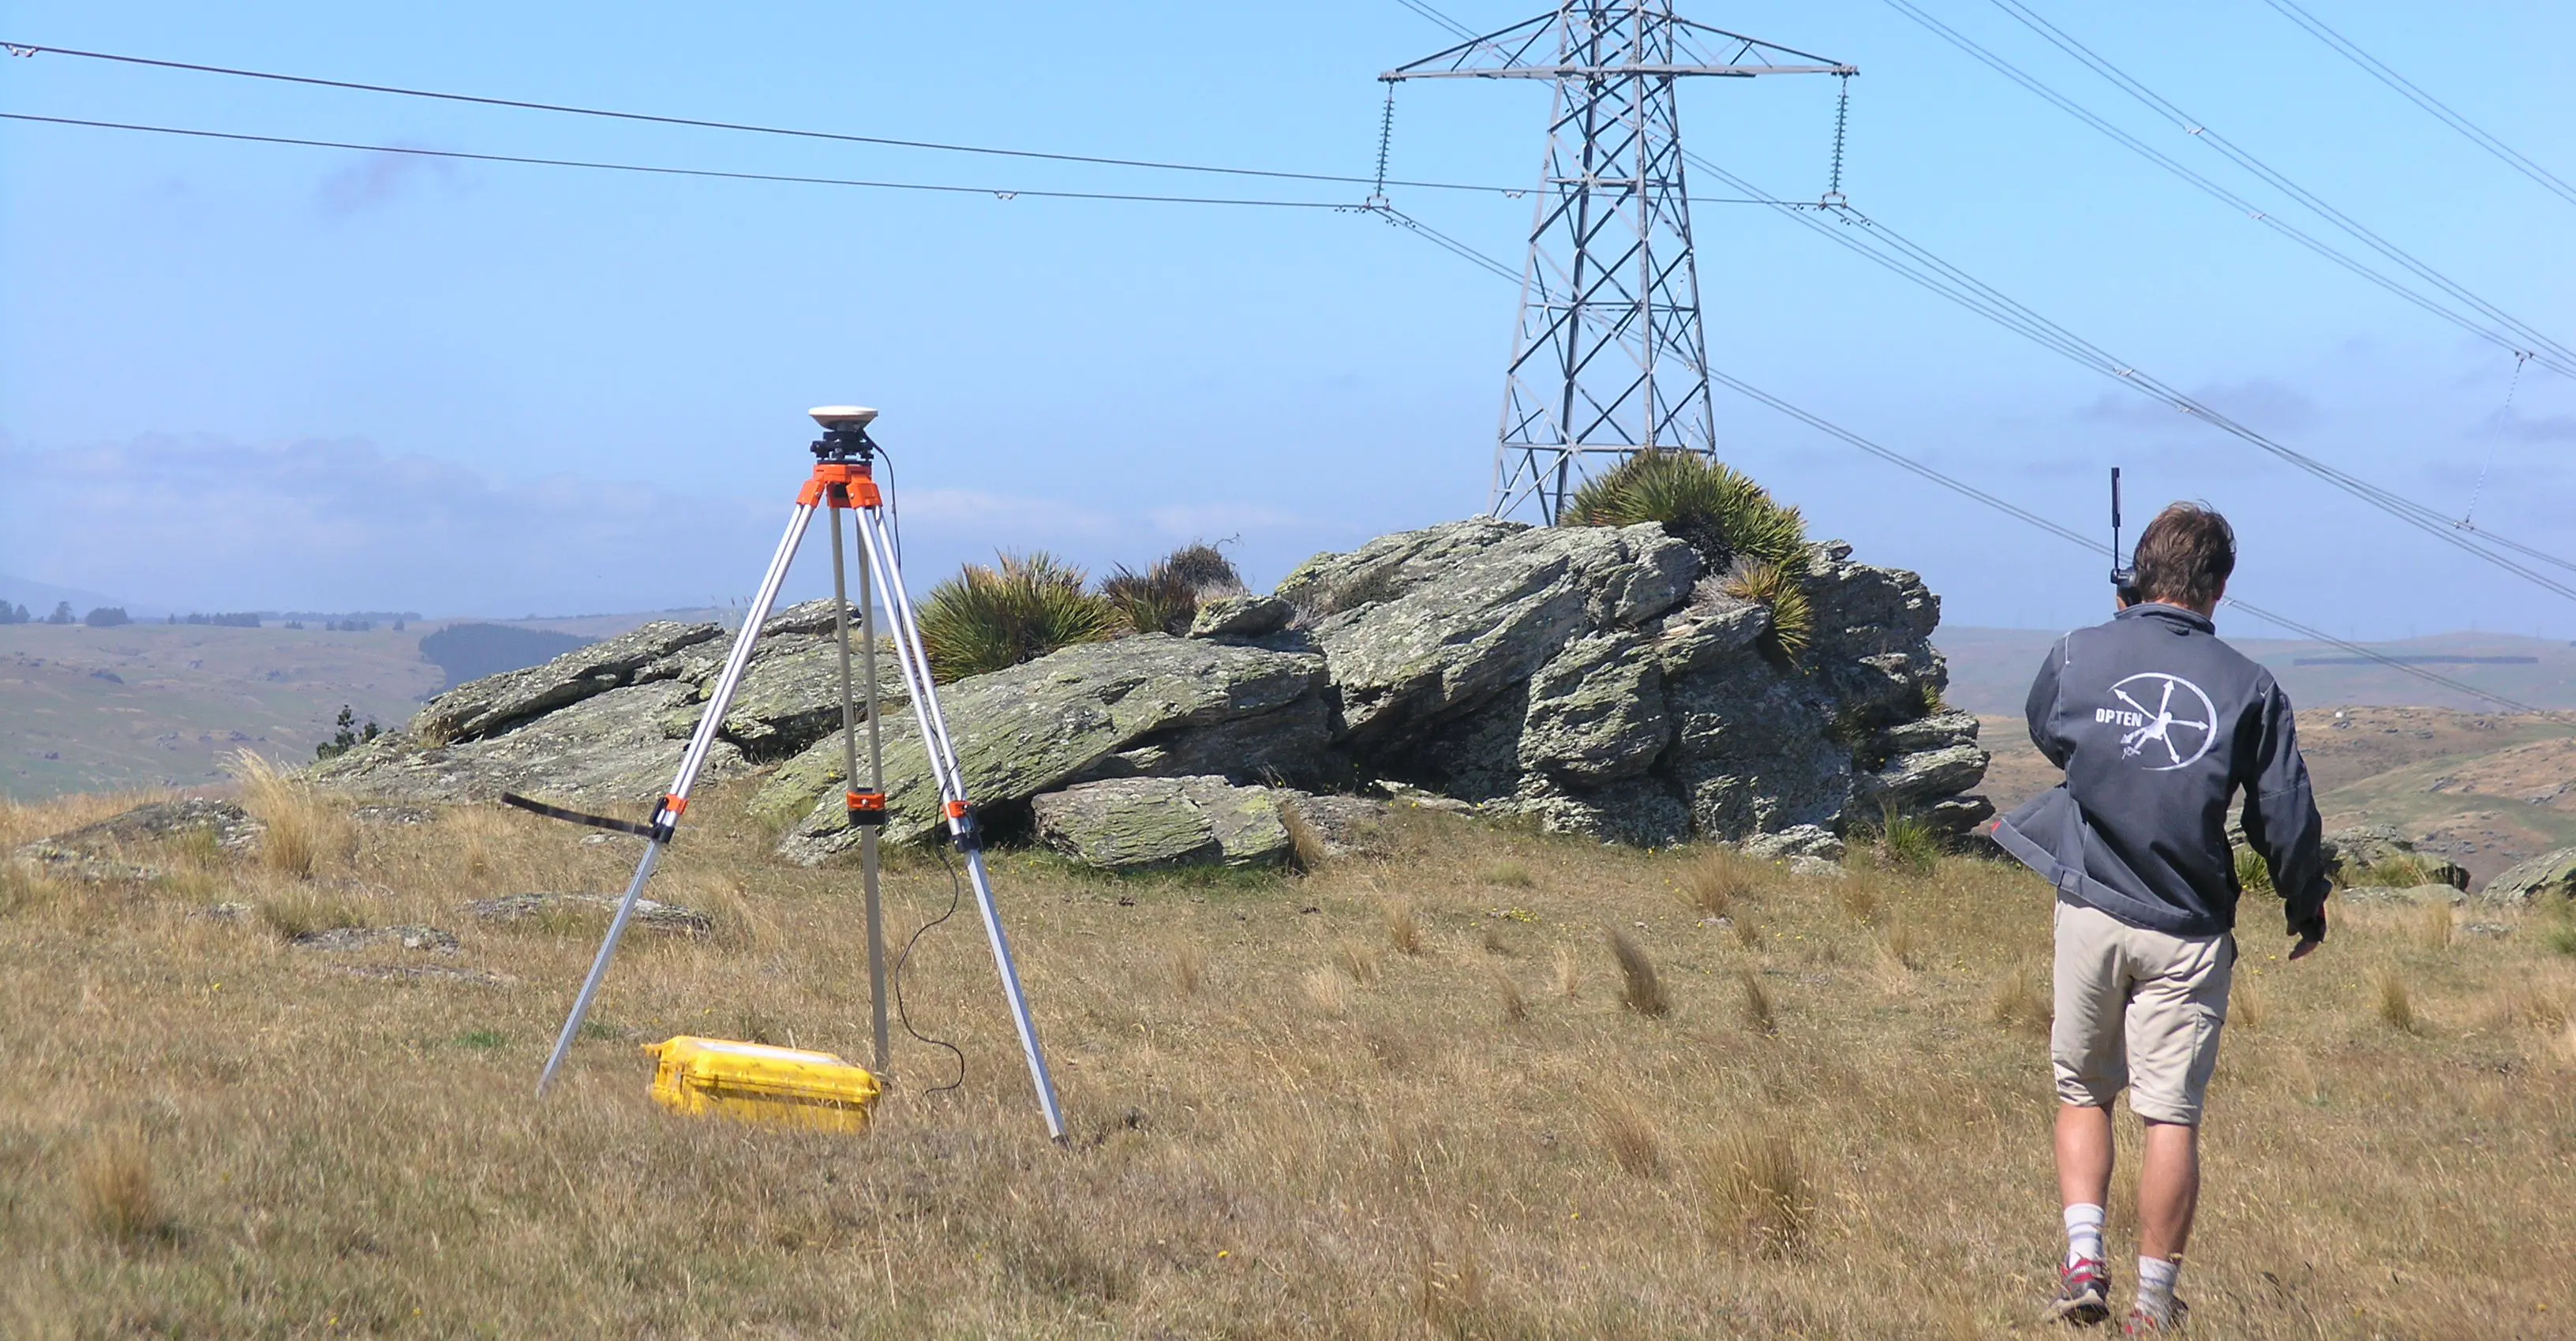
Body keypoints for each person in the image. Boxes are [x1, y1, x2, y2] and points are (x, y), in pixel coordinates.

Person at [1990, 501, 2330, 1333]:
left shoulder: (2077, 653)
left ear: (2137, 576)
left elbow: (2050, 730)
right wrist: (2303, 903)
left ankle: (2082, 1262)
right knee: (2169, 1112)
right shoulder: (2251, 686)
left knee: (2082, 1090)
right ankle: (2151, 1303)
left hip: (2092, 907)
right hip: (2187, 925)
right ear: (2218, 589)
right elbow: (2283, 810)